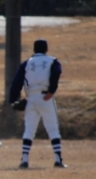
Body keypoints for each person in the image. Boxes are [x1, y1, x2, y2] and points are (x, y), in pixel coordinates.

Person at [9, 39, 67, 169]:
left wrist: (12, 99)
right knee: (52, 128)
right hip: (45, 97)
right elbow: (57, 72)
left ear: (34, 49)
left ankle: (24, 160)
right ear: (46, 49)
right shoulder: (52, 61)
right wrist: (51, 91)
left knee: (29, 129)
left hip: (31, 98)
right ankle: (58, 160)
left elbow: (16, 82)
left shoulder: (27, 63)